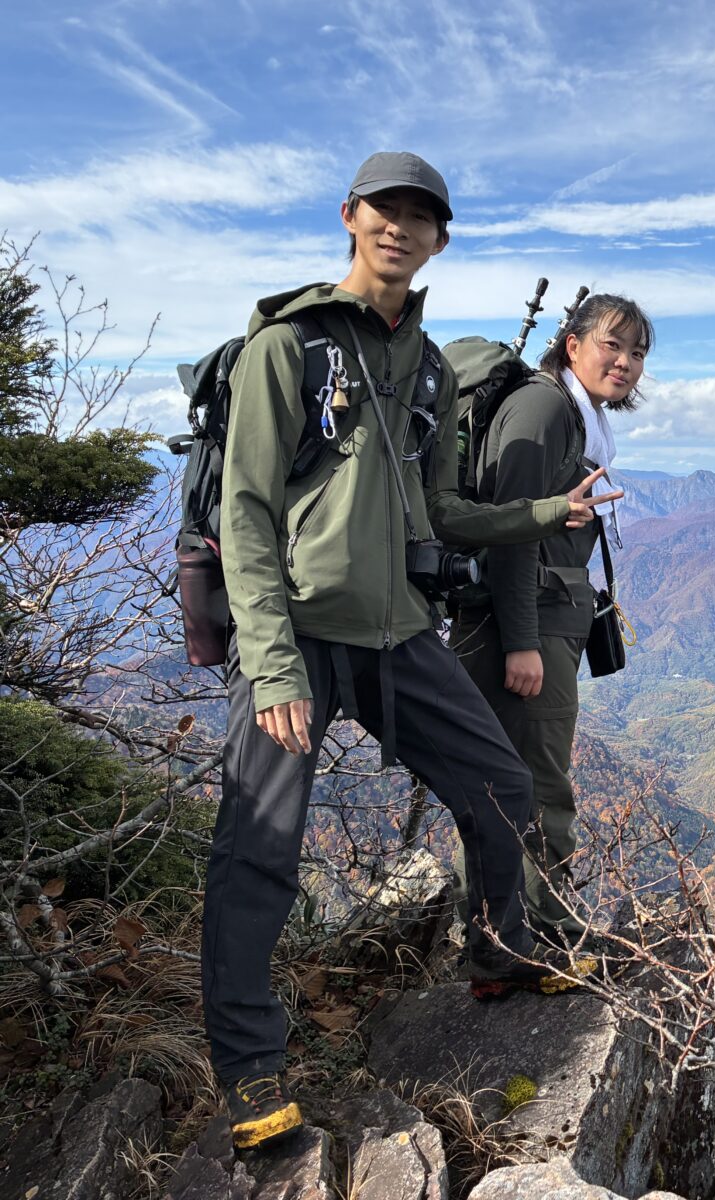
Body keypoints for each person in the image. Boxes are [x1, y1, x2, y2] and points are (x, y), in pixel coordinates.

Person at [204, 151, 623, 1151]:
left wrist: (541, 510)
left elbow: (438, 510)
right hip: (297, 636)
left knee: (498, 784)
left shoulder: (428, 367)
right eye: (384, 210)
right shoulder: (290, 347)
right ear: (350, 218)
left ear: (440, 238)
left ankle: (498, 951)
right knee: (258, 851)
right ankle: (250, 1074)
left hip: (394, 632)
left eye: (420, 216)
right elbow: (249, 510)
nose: (400, 227)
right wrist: (266, 661)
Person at [448, 294, 651, 956]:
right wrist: (523, 643)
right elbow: (508, 529)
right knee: (534, 786)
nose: (626, 362)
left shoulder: (578, 418)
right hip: (523, 624)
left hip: (546, 617)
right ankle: (541, 934)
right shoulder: (544, 409)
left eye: (638, 353)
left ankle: (505, 930)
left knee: (520, 780)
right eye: (612, 345)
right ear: (572, 344)